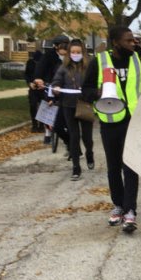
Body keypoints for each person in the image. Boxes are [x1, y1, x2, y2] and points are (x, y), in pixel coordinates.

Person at [81, 26, 141, 233]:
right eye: (128, 40)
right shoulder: (100, 61)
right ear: (116, 42)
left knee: (131, 167)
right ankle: (118, 205)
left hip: (133, 120)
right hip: (110, 121)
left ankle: (130, 211)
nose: (133, 43)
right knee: (113, 167)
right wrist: (98, 92)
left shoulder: (137, 60)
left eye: (133, 40)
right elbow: (85, 90)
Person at [51, 39, 94, 181]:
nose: (76, 54)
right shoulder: (64, 67)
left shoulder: (89, 66)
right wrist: (56, 88)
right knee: (73, 136)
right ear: (69, 53)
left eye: (78, 52)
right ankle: (76, 167)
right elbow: (56, 81)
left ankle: (89, 152)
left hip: (85, 104)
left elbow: (95, 82)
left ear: (83, 53)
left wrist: (92, 92)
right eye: (73, 52)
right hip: (68, 105)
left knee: (87, 137)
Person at [34, 35, 70, 145]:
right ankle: (47, 132)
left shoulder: (71, 55)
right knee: (46, 103)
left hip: (65, 84)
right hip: (49, 81)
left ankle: (67, 128)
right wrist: (38, 78)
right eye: (61, 44)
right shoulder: (48, 56)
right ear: (56, 46)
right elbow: (40, 68)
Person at [25, 50, 43, 132]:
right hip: (33, 88)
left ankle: (41, 125)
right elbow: (27, 74)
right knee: (33, 105)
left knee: (43, 107)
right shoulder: (30, 63)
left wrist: (43, 84)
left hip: (42, 88)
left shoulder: (44, 63)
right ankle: (34, 124)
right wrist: (29, 83)